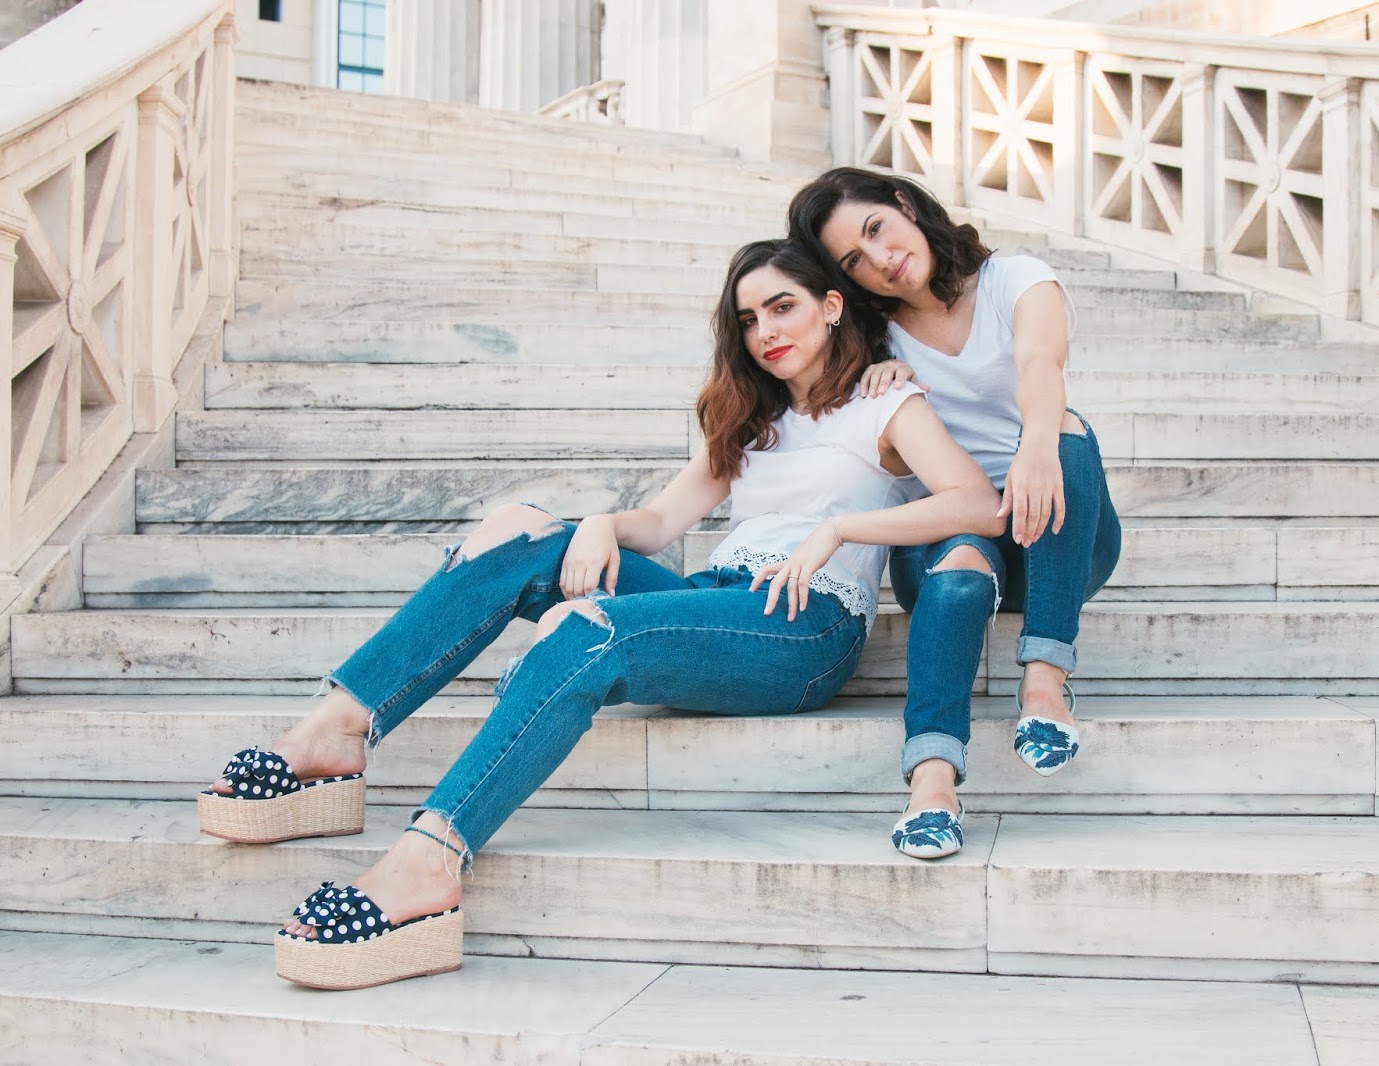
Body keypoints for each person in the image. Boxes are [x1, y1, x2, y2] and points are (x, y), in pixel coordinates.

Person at [196, 238, 1003, 990]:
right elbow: (659, 523)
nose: (765, 332)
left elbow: (977, 503)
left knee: (592, 632)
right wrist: (596, 524)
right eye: (748, 318)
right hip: (714, 598)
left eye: (783, 307)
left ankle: (430, 860)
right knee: (520, 532)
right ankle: (338, 729)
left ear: (831, 306)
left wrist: (841, 530)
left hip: (803, 626)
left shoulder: (886, 406)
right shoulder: (753, 422)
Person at [788, 168, 1122, 856]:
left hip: (1058, 533)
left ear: (904, 204)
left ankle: (1044, 683)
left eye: (876, 229)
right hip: (952, 541)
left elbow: (1041, 365)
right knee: (962, 563)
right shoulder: (874, 344)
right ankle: (932, 785)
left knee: (1067, 432)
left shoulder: (1016, 280)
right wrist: (885, 392)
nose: (880, 259)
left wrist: (1036, 445)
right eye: (854, 260)